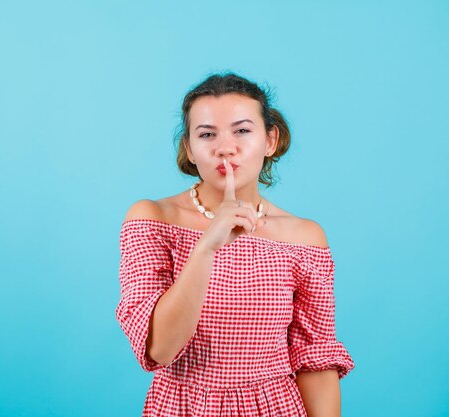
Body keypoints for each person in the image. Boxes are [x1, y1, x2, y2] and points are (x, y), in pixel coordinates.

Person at [115, 72, 355, 416]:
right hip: (183, 407)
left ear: (270, 140)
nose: (225, 147)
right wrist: (207, 247)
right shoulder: (152, 219)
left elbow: (315, 361)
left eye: (242, 130)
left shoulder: (304, 238)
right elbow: (161, 349)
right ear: (190, 150)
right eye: (207, 134)